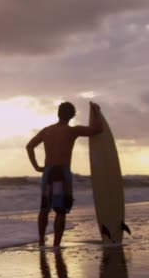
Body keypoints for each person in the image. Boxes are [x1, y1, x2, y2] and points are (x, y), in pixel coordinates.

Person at [26, 101, 103, 247]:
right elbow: (98, 129)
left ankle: (41, 241)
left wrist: (36, 166)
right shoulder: (72, 131)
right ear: (72, 115)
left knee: (44, 209)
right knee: (60, 211)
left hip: (47, 172)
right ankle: (56, 245)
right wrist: (96, 111)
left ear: (58, 114)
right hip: (62, 172)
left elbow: (29, 146)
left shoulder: (46, 130)